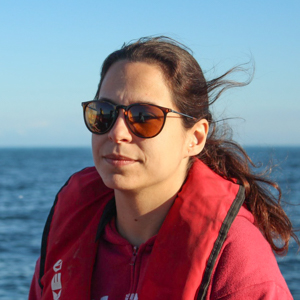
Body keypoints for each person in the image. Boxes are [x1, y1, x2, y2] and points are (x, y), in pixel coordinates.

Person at [29, 36, 299, 300]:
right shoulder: (66, 239)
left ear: (195, 138)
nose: (117, 133)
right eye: (104, 113)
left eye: (144, 117)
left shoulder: (235, 259)